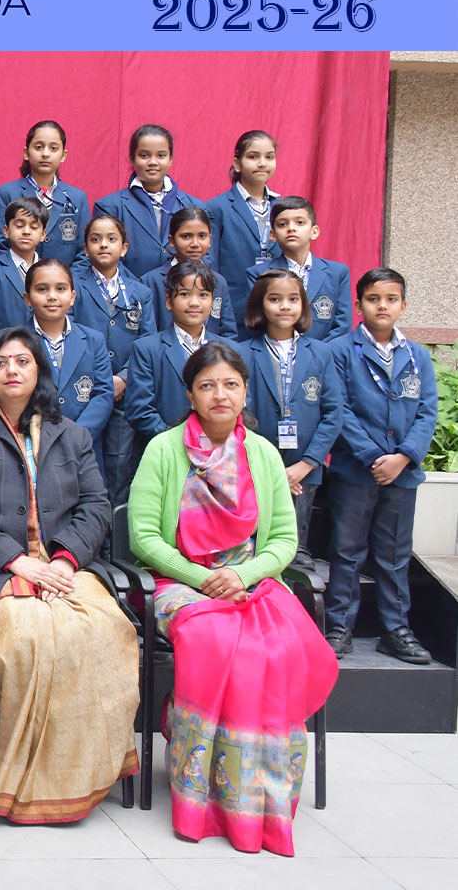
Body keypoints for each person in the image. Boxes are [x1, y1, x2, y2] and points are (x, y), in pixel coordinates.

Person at [128, 341, 338, 855]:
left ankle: (260, 791)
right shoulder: (164, 450)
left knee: (280, 649)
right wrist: (203, 579)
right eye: (207, 386)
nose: (219, 395)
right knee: (216, 639)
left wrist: (242, 574)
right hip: (180, 583)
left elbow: (283, 540)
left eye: (230, 385)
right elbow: (143, 537)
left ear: (245, 392)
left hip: (252, 581)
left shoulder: (263, 454)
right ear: (190, 395)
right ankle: (204, 789)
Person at [0, 327, 137, 822]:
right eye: (0, 363)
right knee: (33, 638)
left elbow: (96, 506)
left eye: (23, 361)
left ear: (39, 370)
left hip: (64, 566)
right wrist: (15, 560)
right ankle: (29, 779)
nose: (12, 371)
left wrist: (63, 559)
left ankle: (84, 769)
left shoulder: (73, 435)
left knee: (107, 631)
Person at [325, 268, 438, 664]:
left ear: (403, 306)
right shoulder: (340, 351)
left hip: (403, 474)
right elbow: (339, 409)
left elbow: (427, 412)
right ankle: (339, 626)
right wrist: (374, 457)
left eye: (391, 299)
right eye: (373, 299)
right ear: (359, 306)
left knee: (394, 555)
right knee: (347, 551)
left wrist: (403, 457)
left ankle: (395, 629)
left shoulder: (417, 355)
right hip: (357, 471)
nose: (382, 306)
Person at [238, 268, 344, 569]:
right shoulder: (243, 352)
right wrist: (272, 471)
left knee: (296, 548)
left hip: (304, 466)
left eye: (293, 299)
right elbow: (239, 412)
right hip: (256, 466)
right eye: (275, 299)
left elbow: (333, 413)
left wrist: (306, 464)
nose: (285, 306)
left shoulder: (321, 353)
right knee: (256, 544)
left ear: (303, 305)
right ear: (259, 304)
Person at [70, 214, 156, 504]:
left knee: (120, 462)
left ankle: (114, 527)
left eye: (111, 239)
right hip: (86, 390)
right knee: (84, 459)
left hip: (124, 393)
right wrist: (103, 381)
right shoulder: (73, 286)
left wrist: (123, 378)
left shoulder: (141, 291)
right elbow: (70, 334)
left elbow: (147, 343)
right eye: (95, 239)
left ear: (124, 248)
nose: (103, 245)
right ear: (85, 248)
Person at [122, 260, 228, 445]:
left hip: (219, 450)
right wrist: (180, 443)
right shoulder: (147, 349)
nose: (194, 303)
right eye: (185, 294)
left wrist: (215, 442)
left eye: (203, 295)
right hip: (165, 449)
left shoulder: (228, 349)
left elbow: (240, 404)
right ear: (169, 301)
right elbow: (140, 410)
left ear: (212, 301)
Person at [92, 124, 206, 277]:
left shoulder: (194, 206)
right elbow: (105, 259)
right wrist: (138, 287)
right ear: (132, 158)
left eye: (161, 155)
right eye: (144, 155)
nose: (153, 162)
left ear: (171, 159)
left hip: (183, 288)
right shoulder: (110, 206)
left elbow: (206, 257)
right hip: (130, 289)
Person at [25, 259, 113, 452]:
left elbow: (103, 394)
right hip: (33, 444)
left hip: (83, 445)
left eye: (61, 289)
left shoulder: (93, 340)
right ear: (27, 298)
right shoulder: (16, 342)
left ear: (72, 297)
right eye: (42, 289)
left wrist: (77, 436)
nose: (52, 296)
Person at [244, 196, 353, 342]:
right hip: (275, 350)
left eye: (300, 222)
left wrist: (318, 352)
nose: (291, 228)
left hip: (325, 353)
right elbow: (257, 321)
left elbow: (342, 327)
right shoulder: (259, 274)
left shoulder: (337, 273)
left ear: (314, 231)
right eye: (283, 224)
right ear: (273, 235)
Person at [205, 130, 280, 338]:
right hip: (235, 311)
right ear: (237, 163)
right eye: (253, 157)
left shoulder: (282, 208)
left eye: (269, 157)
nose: (262, 163)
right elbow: (211, 265)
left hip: (276, 311)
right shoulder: (217, 208)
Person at [0, 120, 89, 266]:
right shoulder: (8, 192)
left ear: (63, 155)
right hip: (16, 277)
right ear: (26, 153)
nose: (45, 154)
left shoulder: (77, 198)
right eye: (39, 147)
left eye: (53, 148)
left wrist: (64, 279)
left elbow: (84, 253)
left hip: (63, 279)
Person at [141, 207, 236, 340]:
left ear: (210, 239)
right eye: (186, 236)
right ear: (172, 240)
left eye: (202, 236)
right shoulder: (152, 281)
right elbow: (148, 333)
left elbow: (228, 333)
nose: (195, 244)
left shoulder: (218, 281)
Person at [0, 195, 46, 329]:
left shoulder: (50, 272)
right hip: (2, 340)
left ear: (43, 234)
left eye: (34, 227)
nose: (26, 231)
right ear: (6, 231)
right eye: (19, 225)